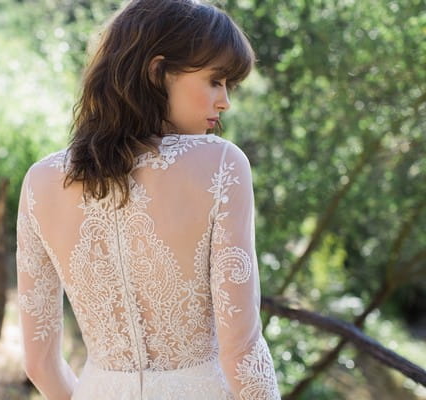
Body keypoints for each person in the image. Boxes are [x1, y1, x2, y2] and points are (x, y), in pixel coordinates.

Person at [16, 0, 281, 398]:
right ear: (157, 72)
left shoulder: (41, 182)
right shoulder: (222, 164)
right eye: (215, 80)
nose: (224, 100)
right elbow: (241, 350)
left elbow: (39, 364)